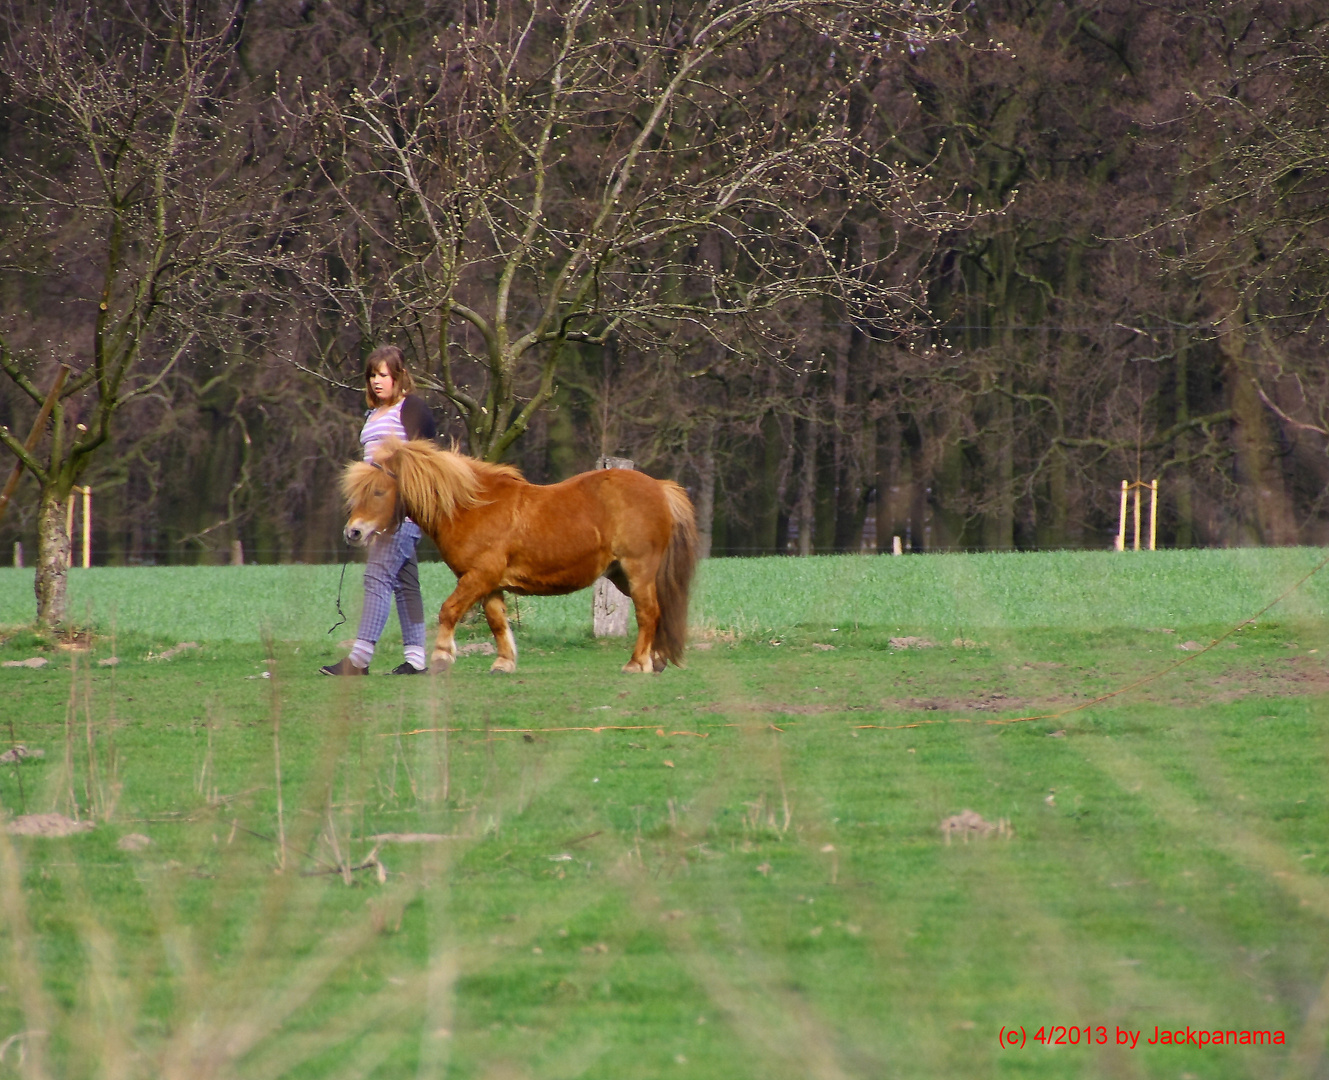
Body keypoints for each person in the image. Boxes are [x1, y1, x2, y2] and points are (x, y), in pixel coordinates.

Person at [320, 345, 437, 676]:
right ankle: (416, 659)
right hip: (377, 507)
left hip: (400, 510)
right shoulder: (373, 414)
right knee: (404, 580)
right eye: (372, 375)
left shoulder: (410, 407)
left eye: (383, 375)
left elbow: (423, 457)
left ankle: (359, 659)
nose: (376, 382)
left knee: (377, 575)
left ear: (399, 376)